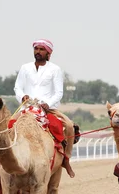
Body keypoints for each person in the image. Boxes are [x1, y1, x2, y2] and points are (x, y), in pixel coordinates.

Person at [14, 39, 78, 177]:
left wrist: (48, 103)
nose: (38, 51)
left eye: (41, 49)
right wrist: (22, 96)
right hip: (27, 107)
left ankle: (66, 160)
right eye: (36, 48)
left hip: (48, 108)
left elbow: (59, 92)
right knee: (8, 126)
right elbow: (17, 87)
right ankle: (2, 162)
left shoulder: (55, 69)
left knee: (69, 126)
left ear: (48, 53)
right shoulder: (25, 68)